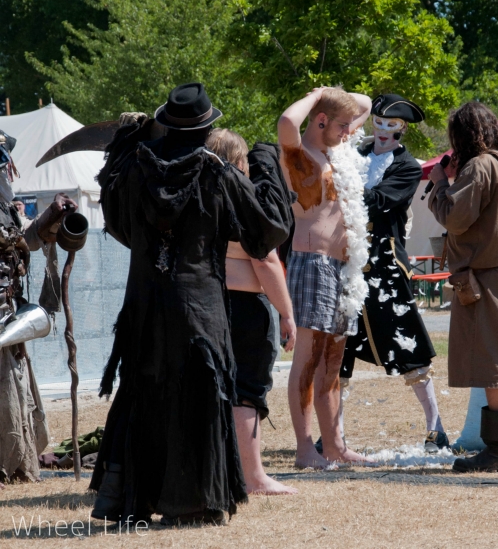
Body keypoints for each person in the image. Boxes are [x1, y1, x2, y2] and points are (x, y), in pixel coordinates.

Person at [90, 83, 294, 525]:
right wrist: (264, 162)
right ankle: (194, 503)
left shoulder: (135, 172)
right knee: (196, 395)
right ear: (206, 128)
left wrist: (127, 145)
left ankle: (136, 499)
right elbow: (268, 231)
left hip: (145, 302)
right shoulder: (215, 173)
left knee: (147, 390)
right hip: (199, 305)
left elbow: (117, 224)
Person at [428, 102, 498, 472]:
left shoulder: (481, 166)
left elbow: (456, 219)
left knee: (494, 361)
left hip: (486, 275)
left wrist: (441, 185)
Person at [340, 94, 447, 452]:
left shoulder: (407, 167)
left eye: (392, 126)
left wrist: (338, 184)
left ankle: (436, 425)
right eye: (379, 123)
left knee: (407, 342)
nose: (384, 132)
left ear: (403, 129)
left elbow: (379, 201)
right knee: (340, 347)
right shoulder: (355, 155)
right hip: (348, 263)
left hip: (385, 266)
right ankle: (333, 430)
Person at [278, 86, 373, 469]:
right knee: (308, 357)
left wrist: (335, 99)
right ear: (319, 122)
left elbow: (365, 103)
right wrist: (316, 93)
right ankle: (305, 449)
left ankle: (334, 445)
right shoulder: (300, 156)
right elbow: (287, 121)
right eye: (341, 126)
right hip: (312, 262)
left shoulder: (338, 149)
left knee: (334, 360)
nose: (350, 132)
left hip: (343, 269)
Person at [207, 128, 299, 495]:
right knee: (247, 390)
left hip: (210, 304)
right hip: (245, 306)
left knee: (218, 390)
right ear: (240, 161)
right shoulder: (242, 201)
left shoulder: (201, 199)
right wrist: (286, 313)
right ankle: (254, 477)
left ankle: (225, 472)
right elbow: (265, 261)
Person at [0, 131, 77, 486]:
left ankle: (13, 464)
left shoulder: (5, 205)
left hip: (7, 313)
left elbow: (22, 242)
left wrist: (49, 219)